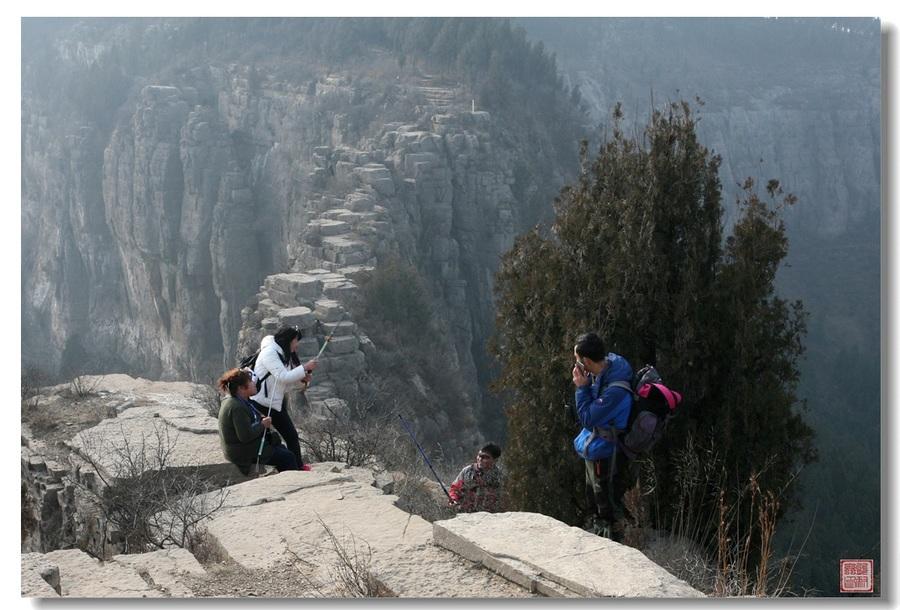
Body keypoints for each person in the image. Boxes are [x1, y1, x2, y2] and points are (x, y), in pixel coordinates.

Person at [571, 332, 633, 539]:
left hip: (606, 452)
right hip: (595, 446)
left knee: (605, 502)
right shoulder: (607, 367)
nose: (576, 364)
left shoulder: (615, 390)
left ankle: (612, 541)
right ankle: (598, 531)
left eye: (578, 360)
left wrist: (581, 388)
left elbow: (588, 418)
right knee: (593, 499)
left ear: (586, 361)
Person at [250, 326, 318, 471]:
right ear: (288, 340)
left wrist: (303, 378)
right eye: (295, 341)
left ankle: (297, 467)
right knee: (264, 438)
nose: (297, 344)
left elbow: (284, 381)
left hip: (274, 403)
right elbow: (283, 377)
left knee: (291, 435)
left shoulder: (282, 354)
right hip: (261, 402)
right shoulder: (270, 353)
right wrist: (304, 367)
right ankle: (278, 467)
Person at [217, 368, 298, 474]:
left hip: (242, 447)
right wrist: (262, 425)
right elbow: (245, 436)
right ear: (241, 388)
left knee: (281, 448)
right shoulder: (236, 407)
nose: (254, 383)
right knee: (287, 457)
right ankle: (293, 482)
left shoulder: (238, 401)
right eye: (250, 381)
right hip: (242, 452)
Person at [448, 443, 505, 513]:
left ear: (495, 460)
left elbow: (506, 499)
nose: (480, 459)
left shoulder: (499, 477)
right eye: (479, 456)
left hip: (490, 517)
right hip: (466, 515)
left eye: (485, 457)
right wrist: (453, 499)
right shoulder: (467, 471)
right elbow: (455, 488)